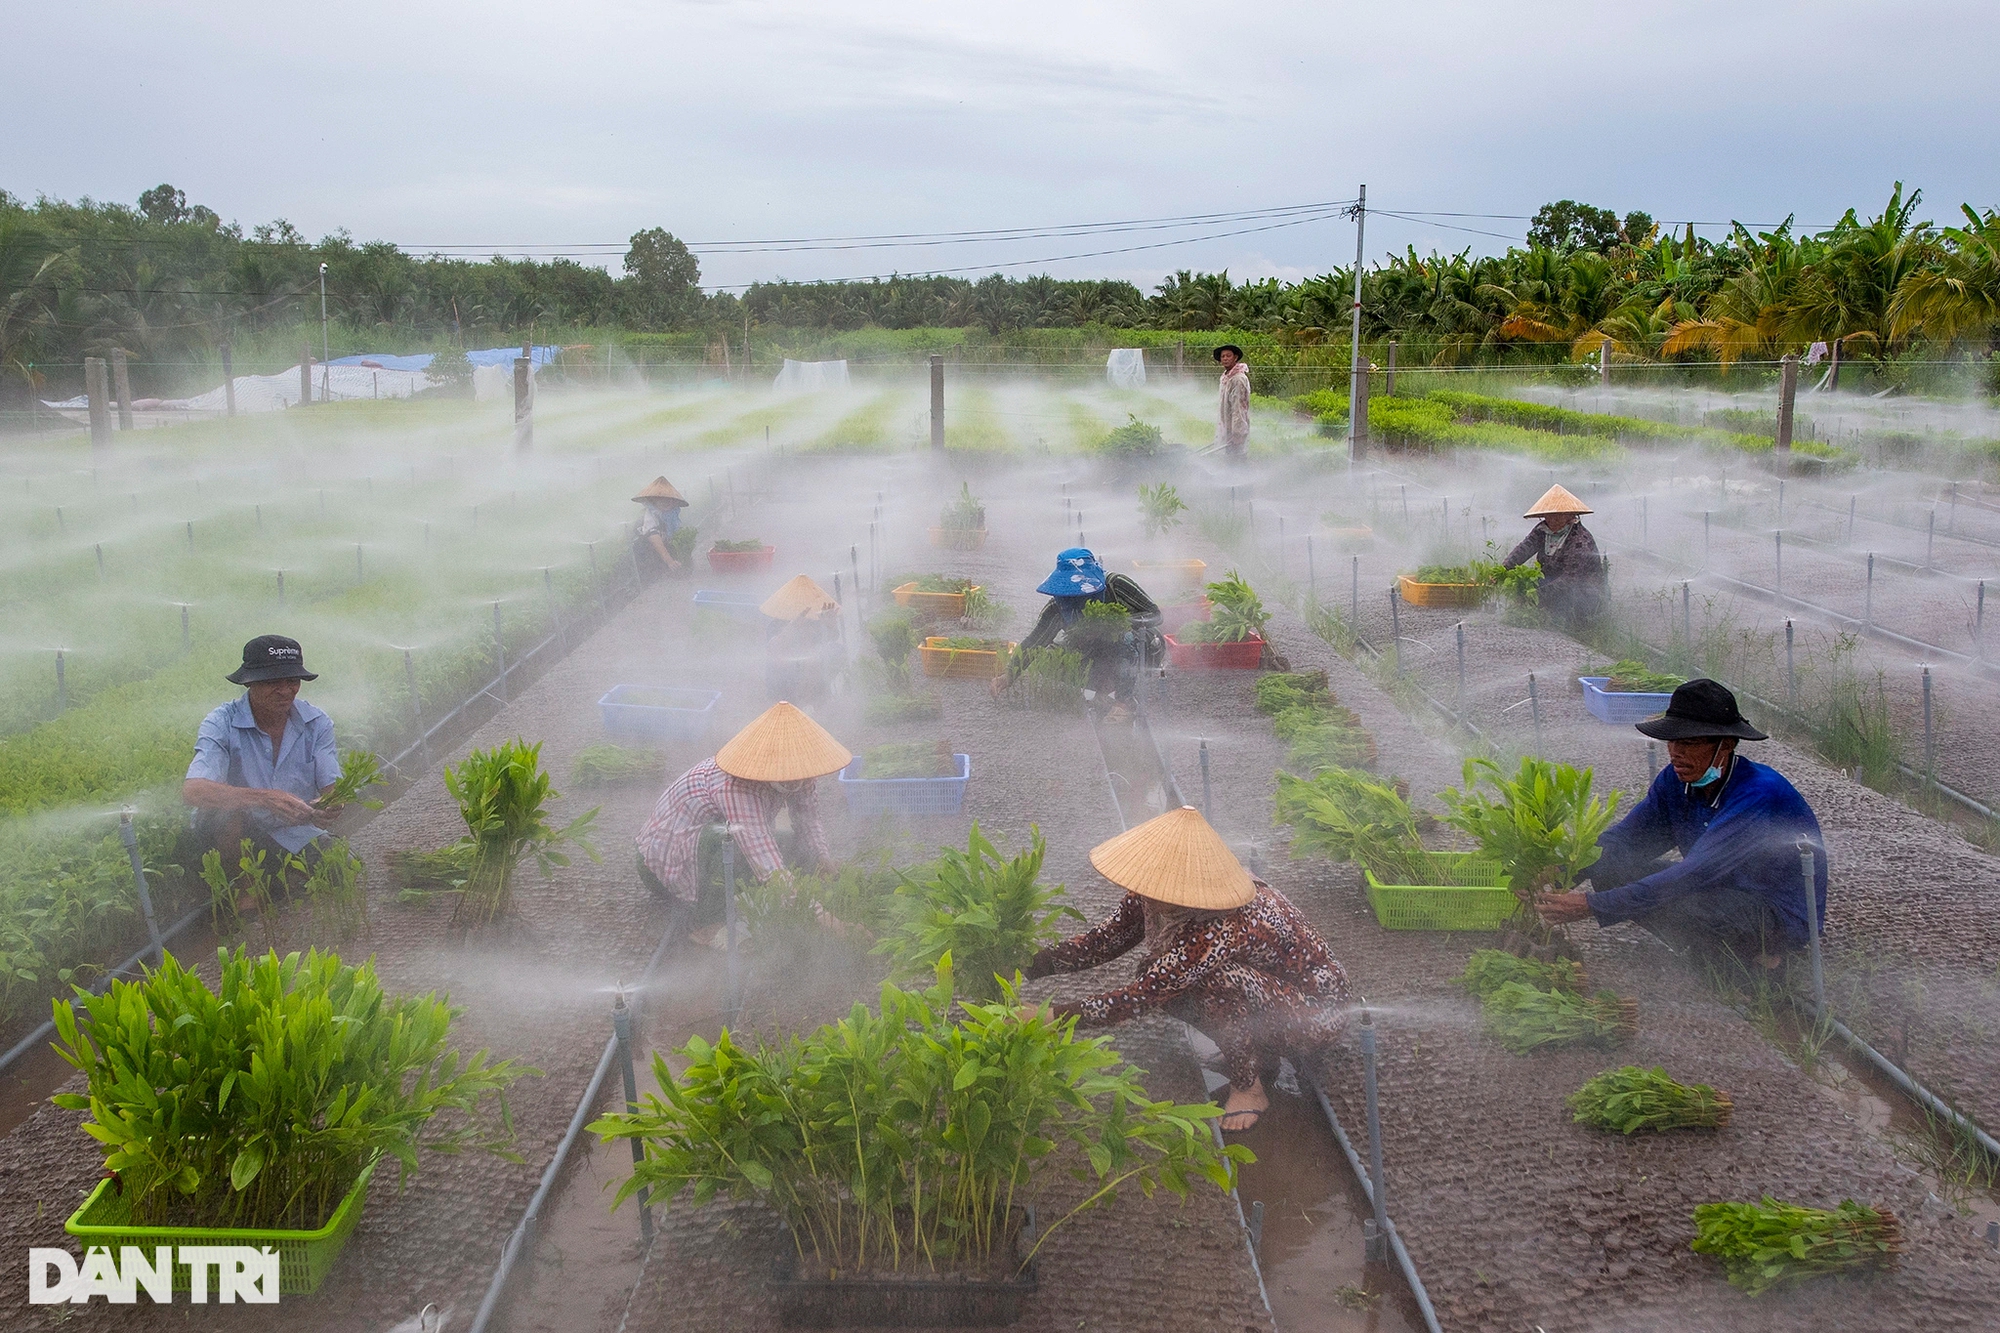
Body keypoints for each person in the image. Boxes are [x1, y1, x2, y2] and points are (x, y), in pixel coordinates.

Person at [1023, 806, 1352, 1133]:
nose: (1146, 892)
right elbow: (1104, 941)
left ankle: (1249, 1086)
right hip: (1271, 995)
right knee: (1162, 973)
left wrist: (1052, 1017)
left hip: (1315, 1014)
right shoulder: (1154, 893)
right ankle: (1258, 1052)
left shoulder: (1222, 922)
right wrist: (1028, 965)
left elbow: (1146, 995)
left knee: (1215, 981)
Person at [1537, 679, 1828, 966]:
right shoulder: (1675, 781)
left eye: (1689, 743)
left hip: (1771, 909)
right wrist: (1561, 871)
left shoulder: (1757, 794)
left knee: (1684, 904)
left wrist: (1592, 906)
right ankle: (1703, 947)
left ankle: (1764, 958)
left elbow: (1694, 875)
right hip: (1718, 888)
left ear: (1725, 745)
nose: (1676, 752)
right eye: (1672, 741)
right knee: (1612, 870)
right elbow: (1625, 840)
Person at [635, 701, 850, 947]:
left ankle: (757, 896)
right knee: (733, 843)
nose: (796, 779)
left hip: (706, 849)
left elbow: (808, 821)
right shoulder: (735, 787)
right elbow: (768, 866)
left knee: (795, 846)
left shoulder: (801, 774)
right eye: (788, 771)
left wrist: (823, 861)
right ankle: (707, 924)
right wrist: (827, 920)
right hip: (663, 865)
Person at [182, 635, 340, 872]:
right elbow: (194, 790)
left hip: (294, 831)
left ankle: (276, 879)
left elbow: (333, 790)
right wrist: (265, 798)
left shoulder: (316, 723)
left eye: (292, 680)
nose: (285, 691)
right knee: (225, 817)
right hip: (237, 832)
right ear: (249, 683)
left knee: (342, 867)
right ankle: (244, 891)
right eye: (273, 682)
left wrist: (330, 806)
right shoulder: (221, 722)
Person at [991, 548, 1161, 708]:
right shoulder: (1057, 607)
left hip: (1142, 645)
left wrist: (1117, 623)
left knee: (1125, 638)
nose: (1073, 599)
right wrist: (1010, 675)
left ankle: (1124, 701)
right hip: (1093, 652)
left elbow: (1155, 614)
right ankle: (1101, 690)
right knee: (1049, 658)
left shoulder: (1115, 585)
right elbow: (1035, 641)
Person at [1503, 484, 1607, 626]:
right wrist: (1503, 570)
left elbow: (1569, 580)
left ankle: (1570, 625)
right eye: (1550, 514)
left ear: (1570, 515)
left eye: (1559, 515)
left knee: (1563, 611)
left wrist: (1534, 596)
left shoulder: (1580, 541)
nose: (1553, 519)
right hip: (1551, 584)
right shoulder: (1542, 530)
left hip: (1581, 594)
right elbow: (1524, 549)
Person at [761, 575, 845, 701]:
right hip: (784, 686)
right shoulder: (776, 625)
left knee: (836, 651)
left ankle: (817, 696)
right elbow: (774, 649)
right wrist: (792, 628)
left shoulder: (813, 622)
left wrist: (830, 626)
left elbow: (831, 637)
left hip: (812, 682)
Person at [633, 476, 690, 573]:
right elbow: (655, 540)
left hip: (660, 556)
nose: (666, 502)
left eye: (669, 499)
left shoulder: (671, 516)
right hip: (645, 558)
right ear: (653, 500)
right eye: (661, 499)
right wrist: (670, 562)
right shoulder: (649, 516)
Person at [1215, 344, 1250, 461]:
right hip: (1228, 425)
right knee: (1229, 457)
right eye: (1222, 356)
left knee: (1237, 458)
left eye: (1228, 356)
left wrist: (1238, 433)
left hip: (1236, 428)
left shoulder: (1238, 379)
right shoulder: (1226, 377)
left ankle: (1241, 478)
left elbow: (1239, 408)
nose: (1225, 358)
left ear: (1235, 358)